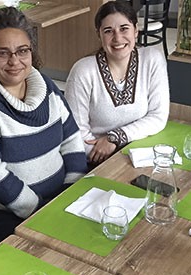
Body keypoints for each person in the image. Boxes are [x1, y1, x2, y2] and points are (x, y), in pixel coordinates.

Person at [0, 7, 87, 246]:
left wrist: (72, 189)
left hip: (59, 199)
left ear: (31, 51)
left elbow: (71, 139)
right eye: (3, 53)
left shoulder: (45, 85)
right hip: (7, 215)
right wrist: (42, 209)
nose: (14, 61)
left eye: (22, 51)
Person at [65, 1, 170, 164]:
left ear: (136, 30)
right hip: (97, 160)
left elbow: (158, 116)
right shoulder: (83, 71)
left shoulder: (152, 60)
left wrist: (114, 138)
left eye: (124, 28)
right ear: (99, 35)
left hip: (141, 154)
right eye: (108, 31)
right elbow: (77, 135)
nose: (117, 38)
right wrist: (107, 158)